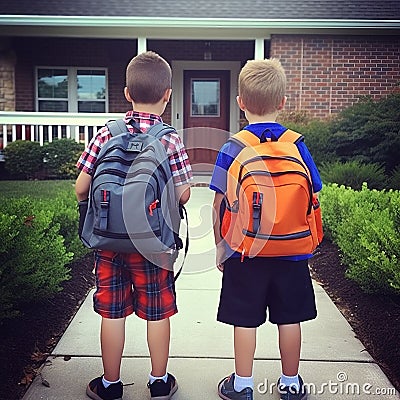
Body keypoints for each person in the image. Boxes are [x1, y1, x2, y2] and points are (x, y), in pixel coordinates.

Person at [75, 51, 192, 400]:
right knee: (157, 312)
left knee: (112, 312)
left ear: (126, 93)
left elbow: (81, 186)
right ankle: (159, 382)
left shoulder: (104, 134)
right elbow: (184, 195)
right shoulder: (169, 139)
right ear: (167, 94)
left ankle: (110, 384)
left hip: (108, 241)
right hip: (153, 243)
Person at [210, 58, 322, 400]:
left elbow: (219, 203)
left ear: (241, 103)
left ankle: (243, 384)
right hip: (292, 251)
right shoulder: (297, 145)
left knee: (244, 319)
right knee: (290, 317)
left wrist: (220, 246)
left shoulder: (234, 146)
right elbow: (312, 193)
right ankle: (290, 383)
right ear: (283, 102)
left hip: (246, 252)